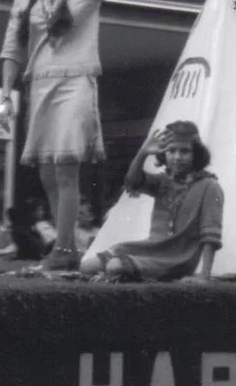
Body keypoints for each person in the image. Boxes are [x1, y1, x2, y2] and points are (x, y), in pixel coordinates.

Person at [0, 0, 153, 271]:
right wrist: (5, 96)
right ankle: (64, 248)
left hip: (76, 83)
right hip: (40, 87)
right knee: (48, 171)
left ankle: (64, 250)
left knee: (66, 166)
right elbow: (12, 49)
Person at [82, 121, 224, 282]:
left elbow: (210, 236)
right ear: (164, 153)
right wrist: (143, 153)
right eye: (171, 150)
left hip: (178, 258)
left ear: (197, 154)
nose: (177, 157)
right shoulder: (164, 181)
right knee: (87, 267)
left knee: (115, 266)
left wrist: (204, 276)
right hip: (150, 249)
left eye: (185, 151)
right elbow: (133, 182)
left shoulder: (209, 186)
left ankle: (129, 274)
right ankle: (127, 274)